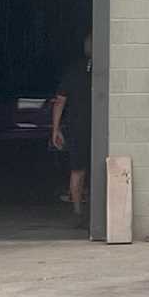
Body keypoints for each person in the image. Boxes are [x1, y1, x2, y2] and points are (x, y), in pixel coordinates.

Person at [49, 36, 93, 225]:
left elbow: (60, 101)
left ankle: (77, 212)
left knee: (77, 170)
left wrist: (55, 129)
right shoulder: (106, 69)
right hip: (100, 128)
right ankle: (97, 212)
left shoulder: (73, 71)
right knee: (99, 169)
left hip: (76, 127)